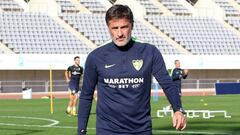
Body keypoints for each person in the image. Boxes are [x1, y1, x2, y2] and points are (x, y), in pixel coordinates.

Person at [78, 5, 186, 135]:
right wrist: (81, 130)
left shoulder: (149, 52)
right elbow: (86, 96)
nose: (119, 33)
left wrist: (178, 109)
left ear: (132, 26)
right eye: (114, 28)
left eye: (124, 27)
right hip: (107, 130)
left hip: (141, 129)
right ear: (108, 28)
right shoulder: (96, 56)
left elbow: (167, 84)